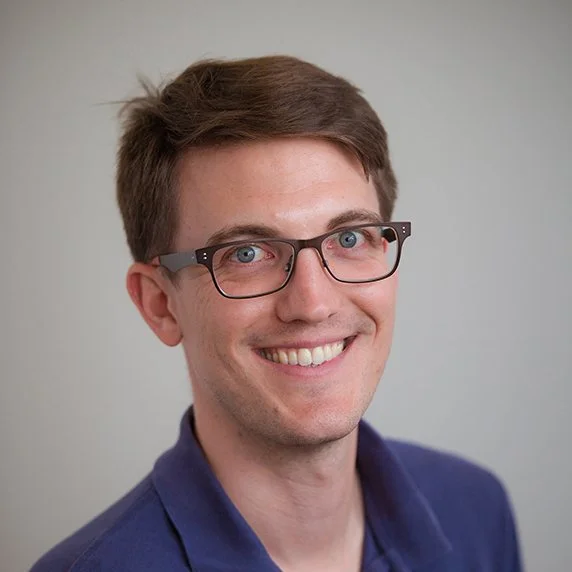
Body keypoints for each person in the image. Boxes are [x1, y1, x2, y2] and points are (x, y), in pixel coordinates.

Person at [31, 55, 522, 572]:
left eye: (349, 238)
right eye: (246, 253)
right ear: (160, 304)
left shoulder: (476, 512)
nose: (313, 304)